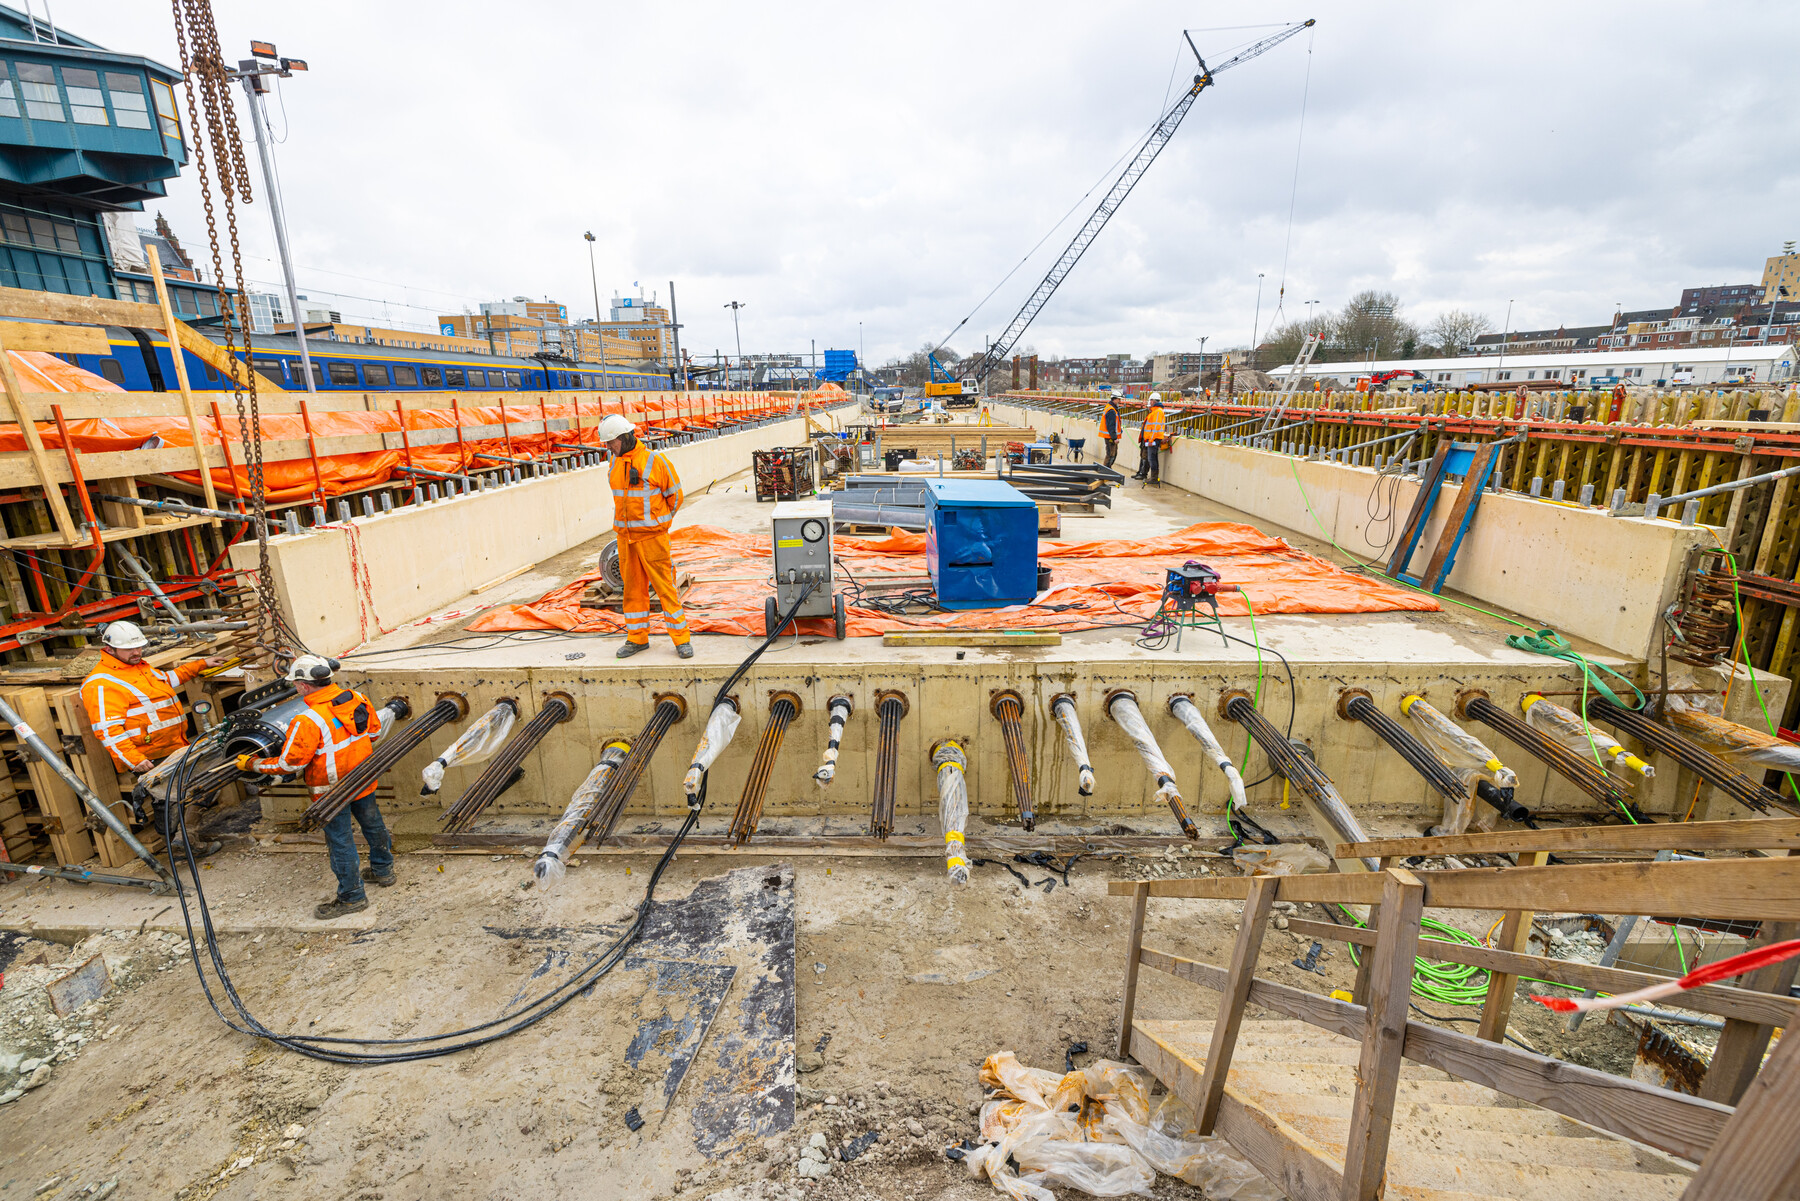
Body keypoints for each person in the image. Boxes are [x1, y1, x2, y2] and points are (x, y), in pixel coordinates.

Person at [239, 655, 391, 919]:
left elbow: (290, 764)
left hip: (329, 791)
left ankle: (352, 898)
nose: (295, 687)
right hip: (362, 778)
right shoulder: (357, 698)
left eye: (295, 683)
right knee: (373, 824)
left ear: (303, 685)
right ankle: (384, 870)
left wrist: (253, 764)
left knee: (340, 841)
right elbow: (374, 733)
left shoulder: (307, 720)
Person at [81, 621, 230, 855]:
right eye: (129, 649)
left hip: (172, 746)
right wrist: (134, 759)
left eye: (139, 646)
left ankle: (184, 839)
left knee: (198, 785)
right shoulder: (102, 683)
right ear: (109, 649)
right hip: (150, 754)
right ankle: (185, 843)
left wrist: (200, 665)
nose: (136, 652)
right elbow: (107, 730)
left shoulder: (139, 667)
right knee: (174, 796)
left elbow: (166, 681)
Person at [594, 414, 692, 659]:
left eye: (611, 442)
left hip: (652, 539)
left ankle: (681, 639)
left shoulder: (655, 461)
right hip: (626, 539)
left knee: (665, 588)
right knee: (632, 591)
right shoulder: (614, 462)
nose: (609, 447)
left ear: (625, 437)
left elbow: (676, 497)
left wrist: (661, 523)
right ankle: (637, 638)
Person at [1133, 392, 1168, 485]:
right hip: (1151, 439)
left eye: (1150, 401)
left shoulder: (1158, 412)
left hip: (1153, 439)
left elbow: (1155, 427)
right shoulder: (1155, 411)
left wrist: (1151, 440)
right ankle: (1153, 477)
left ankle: (1154, 478)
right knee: (1151, 458)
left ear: (1153, 401)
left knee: (1152, 458)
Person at [1101, 395, 1122, 468]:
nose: (1120, 401)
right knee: (1111, 455)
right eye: (1119, 399)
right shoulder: (1111, 410)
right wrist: (1114, 438)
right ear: (1115, 399)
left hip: (1110, 436)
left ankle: (1108, 469)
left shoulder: (1112, 408)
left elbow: (1115, 423)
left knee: (1113, 454)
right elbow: (1111, 425)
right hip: (1110, 437)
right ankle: (1105, 470)